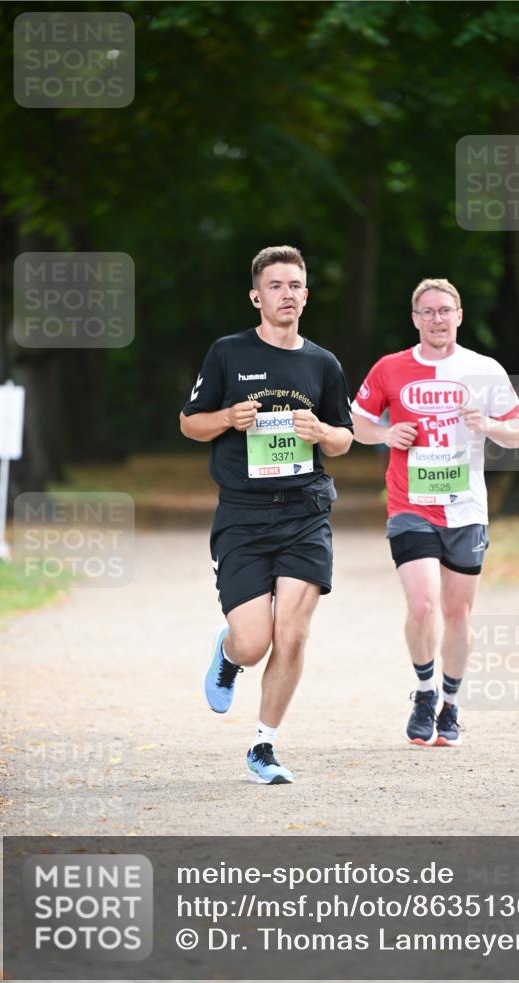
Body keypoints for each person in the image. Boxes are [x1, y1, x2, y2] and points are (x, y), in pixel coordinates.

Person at [180, 246, 353, 784]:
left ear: (306, 294)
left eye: (295, 285)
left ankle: (264, 746)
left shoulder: (323, 364)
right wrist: (227, 418)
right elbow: (190, 423)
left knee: (293, 633)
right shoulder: (228, 353)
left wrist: (321, 432)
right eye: (275, 286)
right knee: (254, 643)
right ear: (257, 297)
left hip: (305, 511)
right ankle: (229, 652)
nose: (286, 294)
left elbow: (344, 438)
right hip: (243, 515)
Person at [352, 277, 519, 747]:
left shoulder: (484, 369)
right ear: (415, 319)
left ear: (459, 316)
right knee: (423, 604)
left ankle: (450, 703)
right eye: (427, 311)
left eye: (444, 310)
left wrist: (488, 424)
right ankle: (425, 691)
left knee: (457, 611)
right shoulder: (390, 368)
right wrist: (386, 434)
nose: (437, 319)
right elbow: (357, 423)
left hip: (466, 508)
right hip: (410, 504)